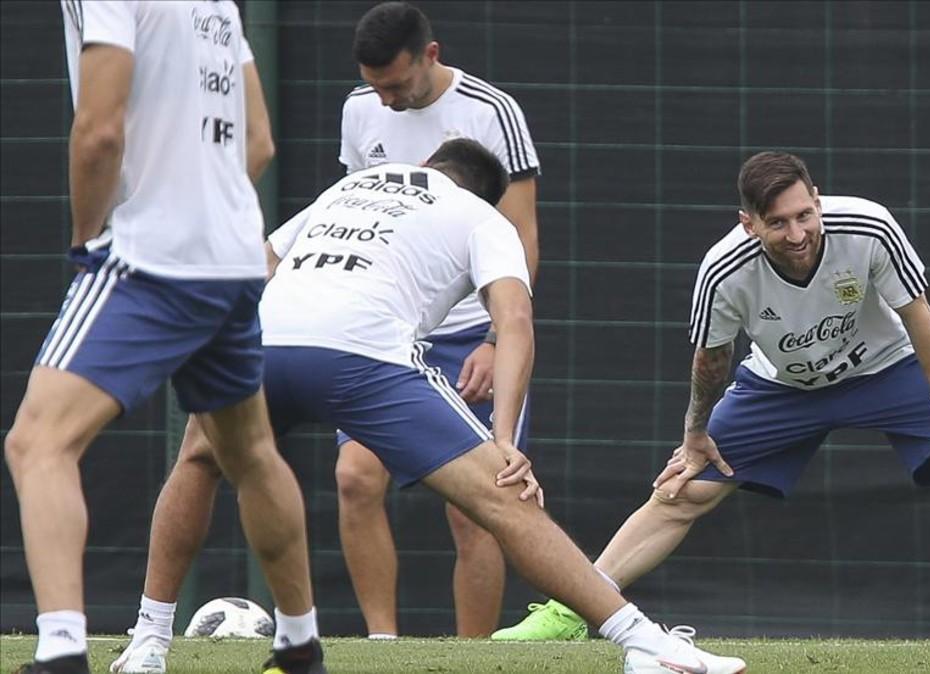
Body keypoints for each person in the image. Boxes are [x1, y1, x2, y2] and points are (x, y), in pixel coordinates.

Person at [123, 139, 749, 674]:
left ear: (425, 165)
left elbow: (257, 266)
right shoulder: (482, 217)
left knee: (198, 462)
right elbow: (515, 320)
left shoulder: (355, 186)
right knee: (503, 495)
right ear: (486, 194)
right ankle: (644, 646)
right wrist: (506, 438)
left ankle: (149, 642)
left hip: (264, 340)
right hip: (361, 353)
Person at [491, 151, 930, 643]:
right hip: (780, 388)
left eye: (803, 214)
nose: (796, 233)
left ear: (816, 201)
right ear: (749, 223)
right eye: (777, 222)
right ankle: (576, 605)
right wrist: (693, 437)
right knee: (682, 488)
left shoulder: (868, 226)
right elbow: (711, 362)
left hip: (888, 368)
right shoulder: (722, 270)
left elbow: (919, 315)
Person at [5, 3, 325, 674]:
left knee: (38, 441)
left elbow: (98, 131)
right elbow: (259, 140)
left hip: (152, 258)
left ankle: (61, 650)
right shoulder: (215, 3)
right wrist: (205, 214)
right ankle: (299, 645)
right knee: (252, 454)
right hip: (232, 260)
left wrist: (87, 239)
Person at [335, 1, 540, 638]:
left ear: (431, 54)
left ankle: (470, 655)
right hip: (385, 336)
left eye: (396, 84)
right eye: (375, 86)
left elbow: (522, 236)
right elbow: (357, 215)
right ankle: (383, 646)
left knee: (477, 508)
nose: (386, 100)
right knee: (353, 478)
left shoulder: (493, 112)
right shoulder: (359, 108)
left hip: (468, 342)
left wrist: (493, 336)